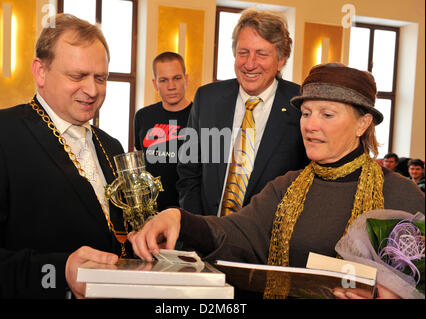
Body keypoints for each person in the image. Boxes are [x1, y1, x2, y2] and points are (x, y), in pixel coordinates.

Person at [129, 63, 425, 299]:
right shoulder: (285, 188)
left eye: (327, 114)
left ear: (363, 123)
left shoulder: (402, 197)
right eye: (306, 113)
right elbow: (234, 233)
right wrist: (178, 218)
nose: (310, 124)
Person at [0, 14, 128, 298]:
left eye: (101, 78)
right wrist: (59, 272)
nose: (93, 90)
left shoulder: (112, 147)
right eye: (77, 76)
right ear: (40, 72)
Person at [176, 8, 308, 216]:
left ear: (281, 60)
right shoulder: (207, 98)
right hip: (205, 234)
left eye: (262, 54)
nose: (249, 63)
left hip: (266, 242)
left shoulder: (300, 106)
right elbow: (188, 170)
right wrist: (198, 227)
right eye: (243, 52)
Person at [134, 52, 192, 211]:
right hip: (150, 211)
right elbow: (140, 164)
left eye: (177, 78)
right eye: (163, 80)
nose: (171, 86)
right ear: (155, 84)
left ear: (186, 79)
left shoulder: (201, 117)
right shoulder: (143, 116)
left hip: (189, 212)